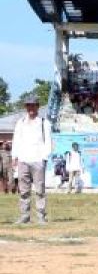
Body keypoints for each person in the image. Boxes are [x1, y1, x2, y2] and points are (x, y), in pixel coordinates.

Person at [12, 96, 52, 224]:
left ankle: (41, 216)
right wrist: (15, 156)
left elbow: (49, 141)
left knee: (39, 190)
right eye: (29, 105)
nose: (31, 108)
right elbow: (16, 140)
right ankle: (25, 216)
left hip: (38, 160)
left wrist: (44, 157)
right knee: (24, 190)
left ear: (38, 107)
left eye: (33, 105)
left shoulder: (43, 122)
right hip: (23, 159)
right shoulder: (20, 122)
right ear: (26, 107)